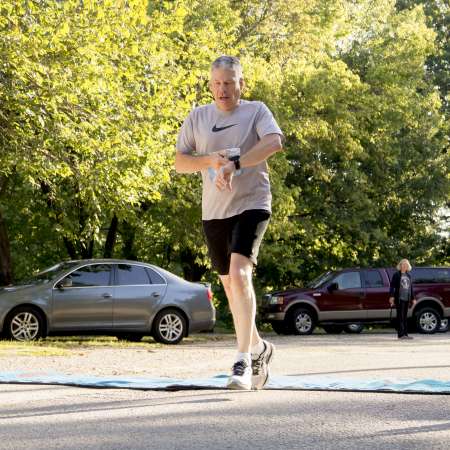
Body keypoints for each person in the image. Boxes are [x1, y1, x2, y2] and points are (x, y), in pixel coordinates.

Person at [174, 55, 283, 390]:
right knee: (230, 287)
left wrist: (234, 164)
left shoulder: (256, 111)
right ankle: (259, 348)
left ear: (241, 84)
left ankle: (242, 360)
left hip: (252, 203)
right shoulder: (198, 117)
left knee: (239, 274)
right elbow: (180, 162)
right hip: (215, 212)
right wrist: (209, 160)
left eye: (230, 82)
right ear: (211, 85)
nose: (223, 89)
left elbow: (274, 142)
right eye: (218, 83)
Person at [389, 258, 417, 340]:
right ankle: (400, 335)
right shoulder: (396, 275)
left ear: (408, 266)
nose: (404, 266)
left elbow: (410, 288)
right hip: (399, 298)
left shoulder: (408, 275)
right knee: (400, 316)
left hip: (407, 298)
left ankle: (405, 334)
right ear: (400, 265)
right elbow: (392, 286)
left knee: (405, 317)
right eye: (403, 264)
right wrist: (391, 296)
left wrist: (413, 298)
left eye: (406, 265)